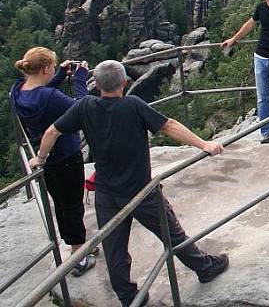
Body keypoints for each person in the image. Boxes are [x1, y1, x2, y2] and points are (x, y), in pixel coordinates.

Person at [30, 60, 229, 307]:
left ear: (98, 85)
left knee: (114, 250)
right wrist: (204, 144)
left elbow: (51, 132)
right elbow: (168, 125)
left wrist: (41, 158)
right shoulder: (133, 105)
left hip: (106, 192)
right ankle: (206, 267)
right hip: (141, 191)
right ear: (125, 83)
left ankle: (129, 297)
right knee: (172, 234)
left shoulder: (85, 106)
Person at [10, 47, 97, 276]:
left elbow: (41, 95)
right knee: (73, 206)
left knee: (61, 204)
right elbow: (82, 108)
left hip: (47, 159)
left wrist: (58, 76)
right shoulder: (49, 97)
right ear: (45, 68)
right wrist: (80, 79)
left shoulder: (17, 91)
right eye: (52, 68)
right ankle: (79, 258)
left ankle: (75, 245)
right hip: (67, 157)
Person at [222, 0, 269, 144]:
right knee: (262, 97)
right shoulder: (261, 7)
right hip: (260, 57)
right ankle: (266, 132)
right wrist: (234, 39)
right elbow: (250, 24)